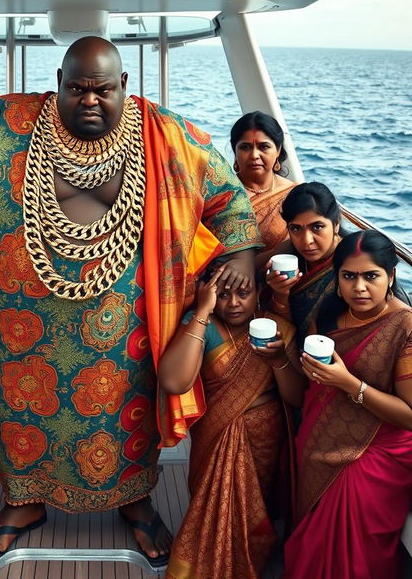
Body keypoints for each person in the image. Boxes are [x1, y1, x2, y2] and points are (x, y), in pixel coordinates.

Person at [0, 35, 262, 569]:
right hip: (20, 332)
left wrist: (243, 257)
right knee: (19, 419)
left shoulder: (169, 134)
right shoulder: (7, 124)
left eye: (103, 90)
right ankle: (22, 504)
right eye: (78, 89)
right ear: (58, 84)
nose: (90, 100)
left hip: (126, 330)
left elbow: (230, 202)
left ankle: (134, 500)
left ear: (125, 86)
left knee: (127, 420)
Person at [158, 266, 304, 578]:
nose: (234, 302)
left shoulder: (274, 327)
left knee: (254, 510)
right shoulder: (205, 325)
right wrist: (202, 309)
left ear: (258, 292)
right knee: (211, 502)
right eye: (223, 295)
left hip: (265, 436)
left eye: (243, 293)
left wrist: (278, 359)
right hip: (215, 433)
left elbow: (296, 397)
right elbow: (173, 381)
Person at [284, 230, 412, 578]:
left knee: (350, 546)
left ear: (391, 276)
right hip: (320, 434)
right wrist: (278, 355)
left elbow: (410, 416)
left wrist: (348, 384)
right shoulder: (328, 313)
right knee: (311, 539)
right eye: (349, 276)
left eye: (371, 276)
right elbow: (309, 382)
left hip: (379, 449)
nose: (359, 287)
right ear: (337, 278)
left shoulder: (405, 327)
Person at [266, 182, 342, 345]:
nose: (306, 241)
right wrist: (280, 294)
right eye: (296, 229)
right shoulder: (287, 253)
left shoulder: (350, 262)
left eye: (317, 227)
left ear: (336, 224)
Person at [230, 111, 295, 261]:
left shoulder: (293, 194)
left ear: (278, 150)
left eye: (264, 147)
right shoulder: (220, 194)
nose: (254, 155)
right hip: (223, 280)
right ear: (235, 151)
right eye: (245, 147)